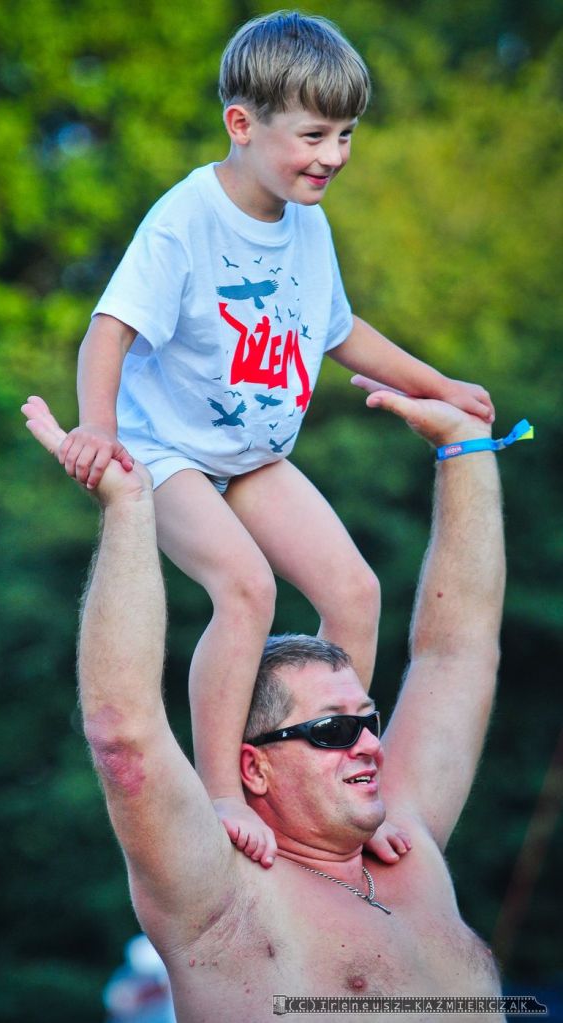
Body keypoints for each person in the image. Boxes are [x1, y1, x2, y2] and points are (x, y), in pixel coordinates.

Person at [57, 11, 494, 865]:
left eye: (346, 135)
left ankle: (330, 783)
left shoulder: (307, 224)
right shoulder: (186, 218)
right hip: (168, 450)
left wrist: (438, 384)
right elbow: (109, 329)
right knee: (246, 588)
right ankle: (224, 788)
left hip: (255, 456)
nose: (333, 155)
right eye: (314, 135)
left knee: (356, 591)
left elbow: (340, 331)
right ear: (242, 124)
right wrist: (98, 430)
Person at [22, 377, 508, 1021]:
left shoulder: (405, 847)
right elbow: (123, 734)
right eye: (332, 731)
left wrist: (465, 447)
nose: (370, 745)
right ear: (254, 767)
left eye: (368, 722)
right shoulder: (219, 892)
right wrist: (128, 509)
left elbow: (457, 653)